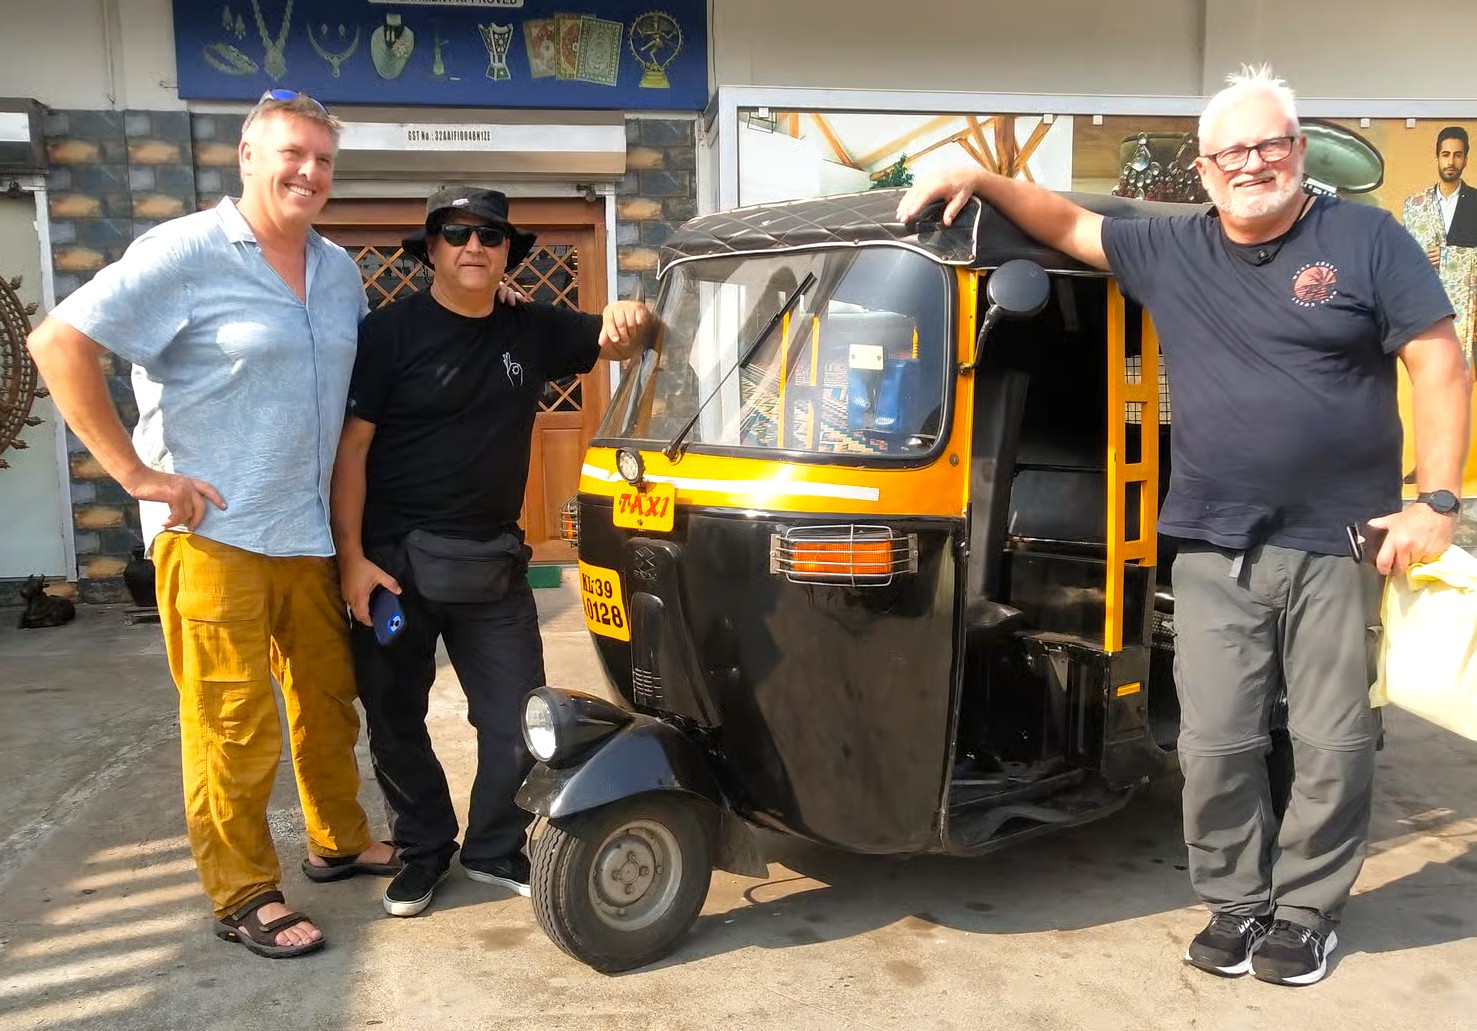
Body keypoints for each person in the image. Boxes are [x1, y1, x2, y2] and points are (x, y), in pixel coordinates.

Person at [898, 65, 1471, 986]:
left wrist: (1435, 501)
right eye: (1232, 151)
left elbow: (1440, 364)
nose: (1253, 163)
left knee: (1329, 740)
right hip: (1212, 541)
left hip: (1338, 540)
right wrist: (980, 179)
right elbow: (1068, 226)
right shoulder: (1173, 248)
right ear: (1203, 170)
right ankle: (1237, 903)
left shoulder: (1363, 238)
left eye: (1269, 144)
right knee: (1213, 742)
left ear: (1297, 149)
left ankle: (1307, 910)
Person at [25, 90, 401, 960]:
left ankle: (336, 840)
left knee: (325, 707)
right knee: (233, 721)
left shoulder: (337, 270)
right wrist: (134, 474)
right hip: (214, 537)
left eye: (323, 159)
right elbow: (58, 343)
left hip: (306, 535)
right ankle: (243, 892)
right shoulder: (186, 250)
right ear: (247, 155)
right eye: (292, 154)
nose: (308, 172)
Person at [330, 186, 653, 918]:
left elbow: (617, 336)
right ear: (432, 250)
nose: (473, 246)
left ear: (507, 252)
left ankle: (493, 845)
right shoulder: (388, 334)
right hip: (392, 563)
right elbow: (352, 450)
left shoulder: (531, 327)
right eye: (455, 234)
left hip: (493, 564)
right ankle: (422, 850)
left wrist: (633, 314)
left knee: (514, 719)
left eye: (489, 236)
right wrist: (351, 557)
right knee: (394, 717)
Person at [1402, 126, 1477, 366]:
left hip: (1469, 315)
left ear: (1466, 158)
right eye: (1446, 155)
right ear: (1437, 157)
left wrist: (1448, 256)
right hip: (1426, 310)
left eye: (1457, 155)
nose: (1451, 161)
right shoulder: (1415, 205)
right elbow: (1404, 259)